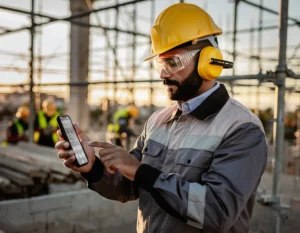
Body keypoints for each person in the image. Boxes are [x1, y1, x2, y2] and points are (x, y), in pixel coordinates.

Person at [55, 3, 267, 233]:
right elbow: (129, 186)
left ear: (208, 61)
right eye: (161, 63)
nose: (163, 74)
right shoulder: (157, 121)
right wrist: (93, 168)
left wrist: (140, 170)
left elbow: (216, 212)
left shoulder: (242, 129)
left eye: (174, 62)